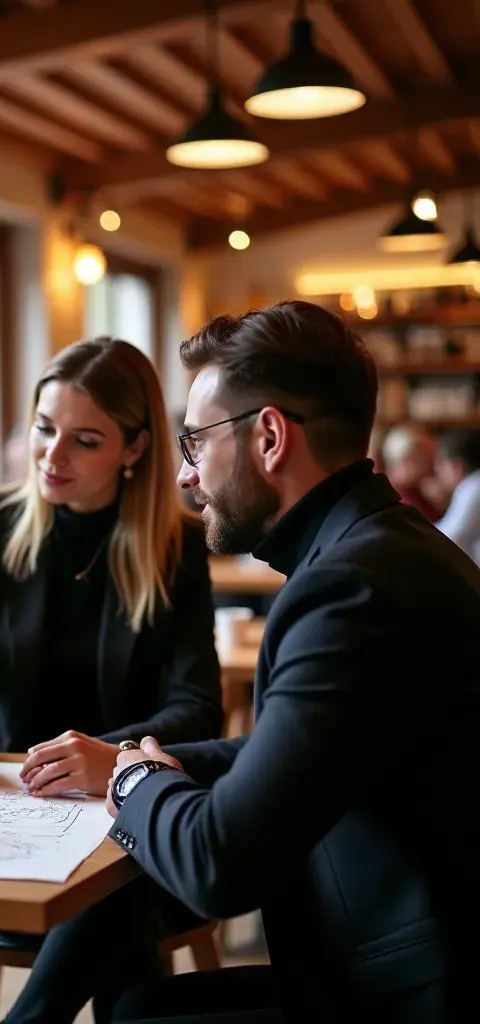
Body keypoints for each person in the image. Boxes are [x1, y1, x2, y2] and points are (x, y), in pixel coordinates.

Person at [106, 301, 480, 1023]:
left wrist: (137, 786)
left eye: (193, 443)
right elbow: (309, 749)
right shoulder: (389, 548)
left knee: (135, 1013)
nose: (185, 477)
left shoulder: (349, 589)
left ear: (270, 437)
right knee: (137, 1001)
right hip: (410, 960)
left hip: (409, 991)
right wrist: (149, 760)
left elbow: (220, 867)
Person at [0, 337, 222, 1024]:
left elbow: (198, 708)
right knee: (118, 918)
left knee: (117, 878)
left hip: (127, 810)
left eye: (85, 440)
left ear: (134, 449)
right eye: (44, 429)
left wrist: (114, 758)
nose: (51, 455)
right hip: (11, 814)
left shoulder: (177, 543)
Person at [433, 427, 480, 565]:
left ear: (456, 467)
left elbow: (450, 539)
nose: (437, 471)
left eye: (441, 464)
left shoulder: (473, 486)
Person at [381, 423, 441, 521]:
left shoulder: (418, 489)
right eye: (425, 456)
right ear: (407, 459)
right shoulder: (397, 497)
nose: (433, 463)